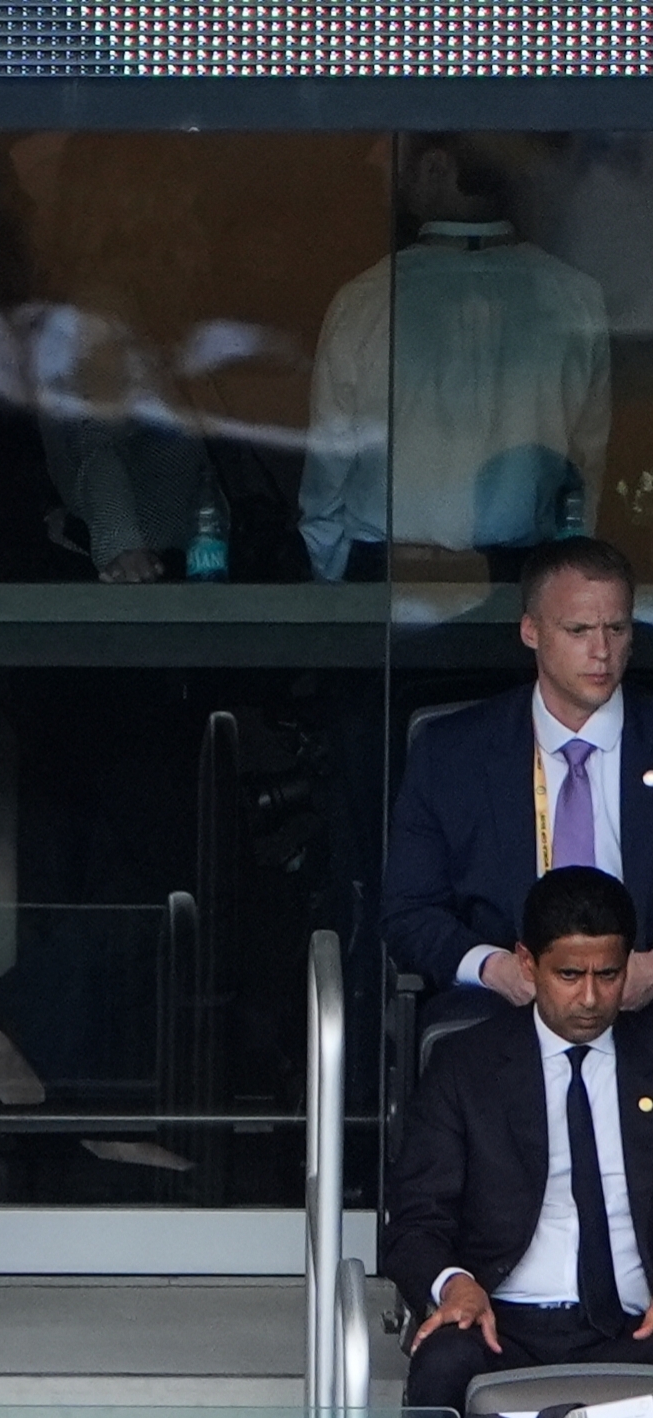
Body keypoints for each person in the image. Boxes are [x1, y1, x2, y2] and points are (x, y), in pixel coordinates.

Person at [386, 865, 653, 1418]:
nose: (592, 998)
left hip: (633, 1323)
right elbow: (415, 1217)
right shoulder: (467, 1066)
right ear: (528, 963)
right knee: (442, 1362)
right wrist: (454, 1285)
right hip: (505, 1320)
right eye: (570, 974)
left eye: (609, 973)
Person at [300, 135, 609, 583]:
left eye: (393, 164)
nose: (380, 173)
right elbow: (585, 473)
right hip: (521, 579)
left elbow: (329, 470)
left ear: (435, 168)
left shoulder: (364, 301)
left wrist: (330, 577)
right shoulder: (576, 299)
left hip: (382, 573)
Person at [385, 538, 653, 1017]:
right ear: (531, 630)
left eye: (616, 628)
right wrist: (492, 967)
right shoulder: (451, 754)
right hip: (502, 1016)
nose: (602, 651)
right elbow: (409, 912)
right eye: (578, 630)